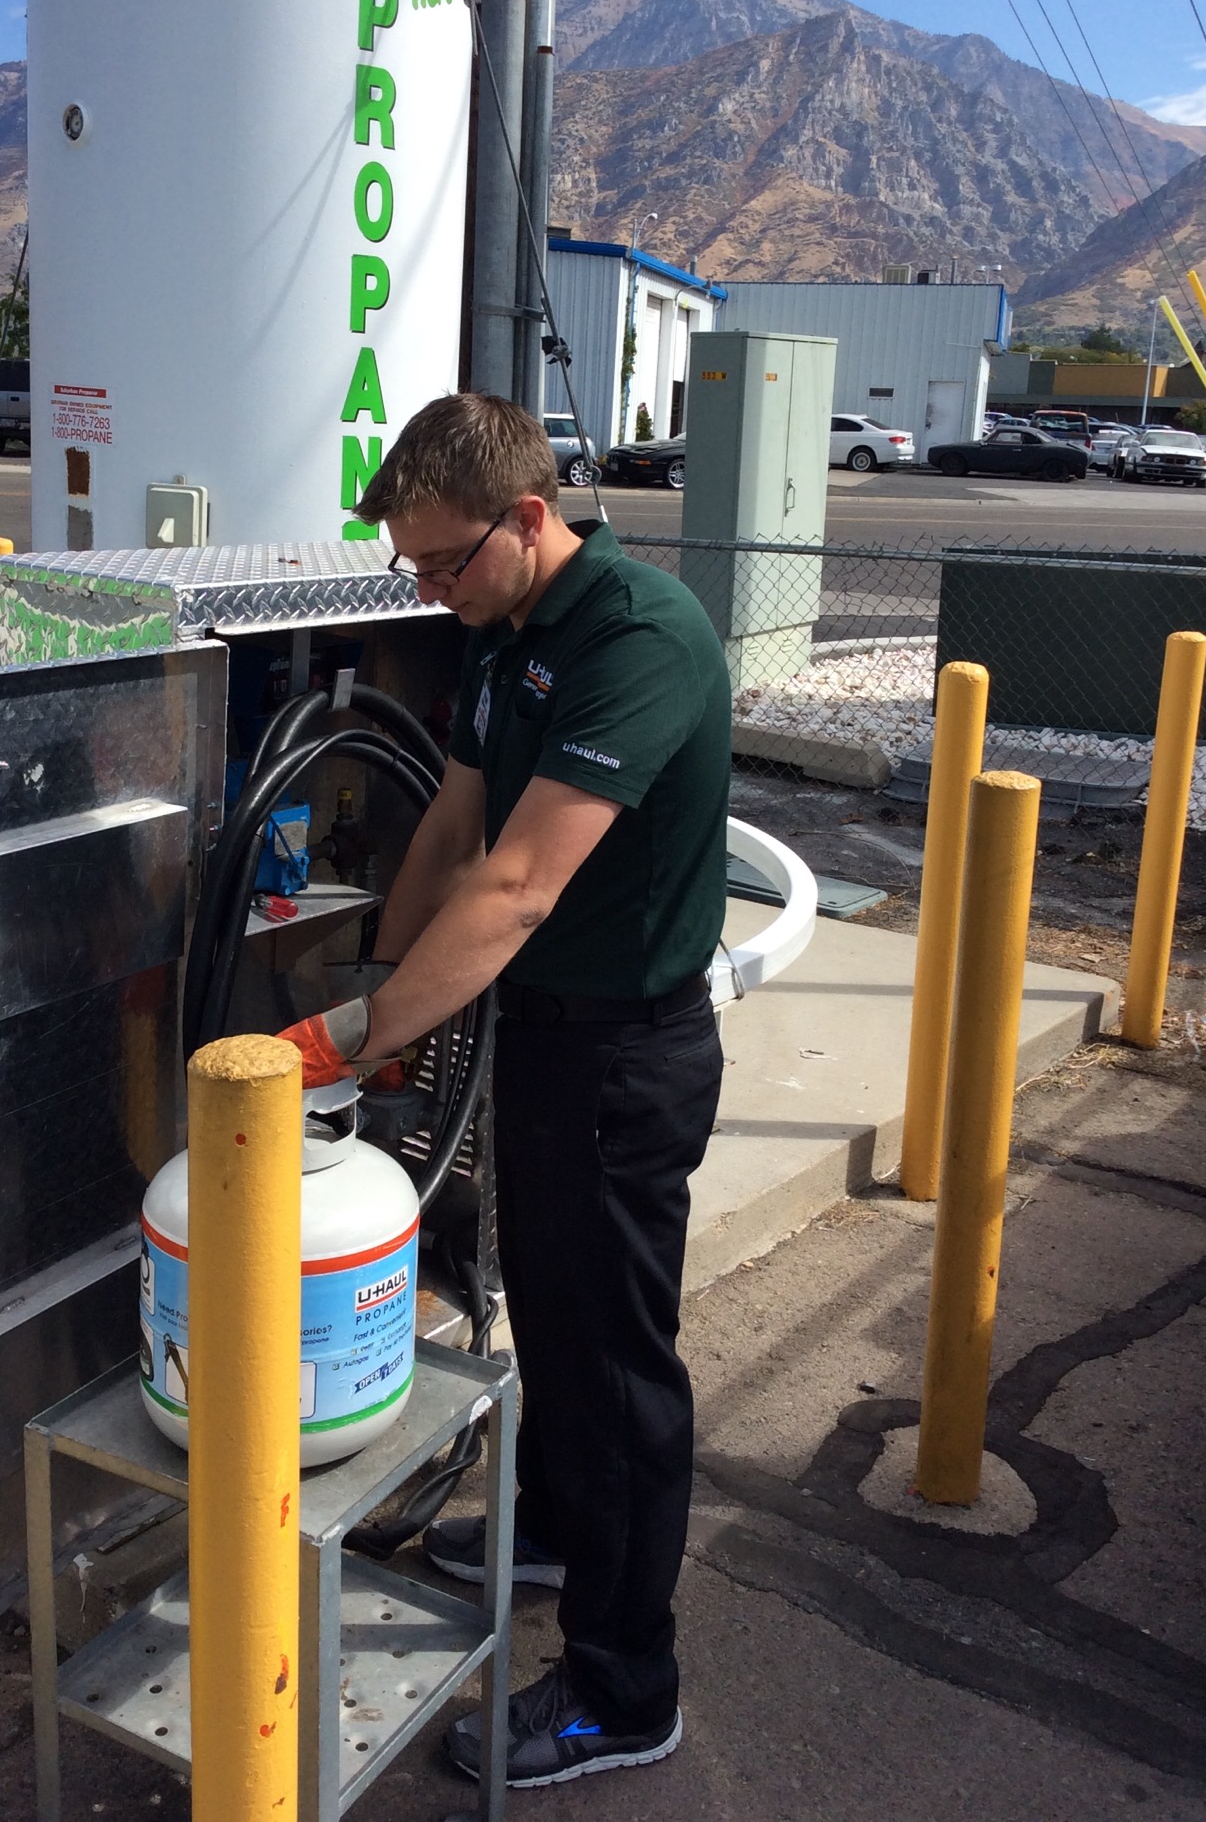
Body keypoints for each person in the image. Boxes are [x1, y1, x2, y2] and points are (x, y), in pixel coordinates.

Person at [279, 392, 730, 1789]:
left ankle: (621, 1689)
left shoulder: (638, 639)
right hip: (542, 1043)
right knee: (551, 1312)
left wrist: (344, 1041)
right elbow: (455, 830)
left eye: (444, 560)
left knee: (617, 1368)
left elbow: (523, 883)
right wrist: (387, 985)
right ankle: (560, 1532)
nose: (429, 588)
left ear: (529, 518)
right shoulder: (501, 629)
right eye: (411, 566)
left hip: (623, 1055)